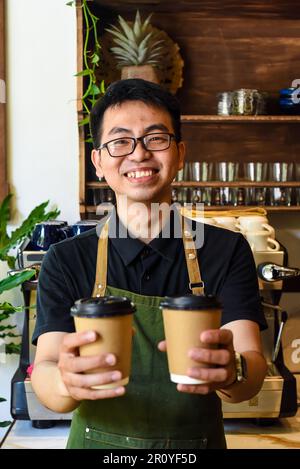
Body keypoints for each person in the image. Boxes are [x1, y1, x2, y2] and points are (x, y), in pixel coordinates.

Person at [31, 79, 267, 449]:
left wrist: (232, 371)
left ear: (180, 152)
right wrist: (65, 382)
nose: (139, 154)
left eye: (156, 138)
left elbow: (250, 370)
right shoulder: (67, 258)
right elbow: (45, 367)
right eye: (120, 141)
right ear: (98, 161)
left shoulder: (226, 250)